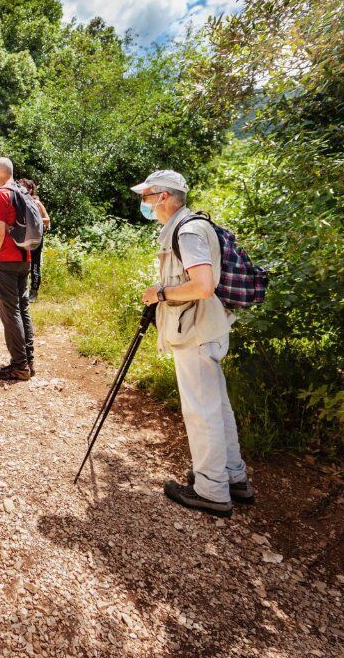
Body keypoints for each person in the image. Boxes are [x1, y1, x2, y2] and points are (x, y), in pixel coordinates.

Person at [132, 169, 252, 518]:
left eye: (147, 196)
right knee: (217, 405)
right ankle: (233, 477)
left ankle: (212, 490)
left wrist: (160, 294)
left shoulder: (187, 232)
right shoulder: (194, 225)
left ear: (163, 197)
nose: (146, 204)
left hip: (196, 332)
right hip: (208, 328)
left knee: (202, 411)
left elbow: (202, 286)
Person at [0, 158, 34, 380]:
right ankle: (29, 360)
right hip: (25, 258)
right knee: (22, 309)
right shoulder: (22, 192)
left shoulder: (1, 194)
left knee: (10, 311)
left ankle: (19, 365)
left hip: (5, 260)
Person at [17, 179, 51, 302]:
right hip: (23, 237)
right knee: (19, 264)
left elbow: (47, 219)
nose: (20, 188)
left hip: (35, 238)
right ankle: (18, 290)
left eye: (23, 186)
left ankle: (34, 292)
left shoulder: (36, 202)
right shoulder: (19, 201)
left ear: (30, 190)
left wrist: (34, 219)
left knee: (34, 265)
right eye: (19, 186)